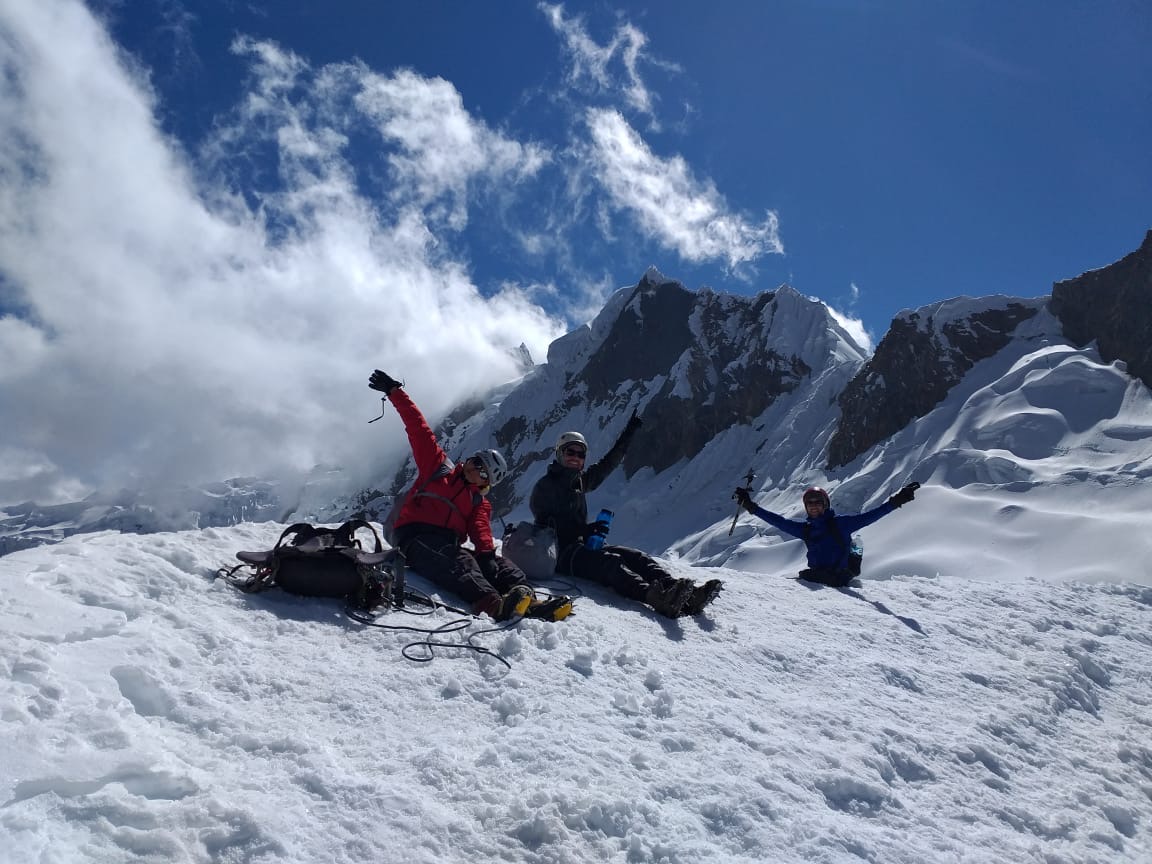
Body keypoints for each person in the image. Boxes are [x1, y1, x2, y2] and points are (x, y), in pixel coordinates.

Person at [368, 370, 571, 621]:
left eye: (482, 470)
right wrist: (395, 392)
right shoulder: (437, 467)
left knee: (500, 565)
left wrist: (487, 556)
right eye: (476, 461)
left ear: (487, 481)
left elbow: (481, 529)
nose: (474, 467)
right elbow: (418, 429)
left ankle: (527, 599)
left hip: (447, 543)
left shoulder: (478, 502)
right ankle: (494, 605)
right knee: (459, 562)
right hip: (413, 537)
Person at [530, 418, 723, 618]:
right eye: (570, 452)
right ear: (560, 453)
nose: (576, 457)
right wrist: (584, 531)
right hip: (560, 553)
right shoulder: (546, 487)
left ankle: (685, 595)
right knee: (610, 563)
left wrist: (629, 432)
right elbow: (548, 527)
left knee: (635, 557)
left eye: (580, 454)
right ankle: (655, 598)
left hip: (581, 545)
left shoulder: (578, 481)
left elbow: (609, 463)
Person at [733, 482, 920, 587]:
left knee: (807, 577)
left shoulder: (842, 524)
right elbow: (779, 522)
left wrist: (896, 502)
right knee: (807, 577)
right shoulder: (806, 529)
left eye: (817, 502)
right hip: (817, 576)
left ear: (825, 505)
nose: (813, 506)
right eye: (810, 503)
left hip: (839, 578)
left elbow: (871, 516)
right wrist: (752, 507)